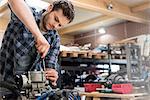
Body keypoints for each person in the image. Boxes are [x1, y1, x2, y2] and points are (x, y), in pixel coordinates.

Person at [0, 0, 75, 99]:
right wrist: (38, 35)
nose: (55, 26)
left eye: (60, 25)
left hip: (31, 90)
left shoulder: (55, 39)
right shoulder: (26, 15)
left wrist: (52, 73)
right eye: (56, 19)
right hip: (5, 83)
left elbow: (50, 65)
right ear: (50, 8)